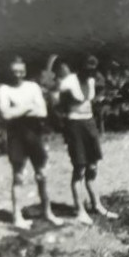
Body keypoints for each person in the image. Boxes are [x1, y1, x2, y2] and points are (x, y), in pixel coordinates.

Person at [0, 56, 62, 230]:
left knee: (42, 174)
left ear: (25, 71)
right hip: (16, 136)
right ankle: (17, 217)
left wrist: (17, 109)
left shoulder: (32, 86)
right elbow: (6, 115)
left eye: (21, 71)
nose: (18, 75)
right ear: (9, 72)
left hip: (34, 134)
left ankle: (48, 212)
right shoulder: (3, 89)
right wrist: (28, 106)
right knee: (18, 176)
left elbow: (42, 111)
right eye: (14, 71)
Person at [53, 56, 117, 224]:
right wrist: (65, 128)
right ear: (80, 68)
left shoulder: (91, 81)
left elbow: (94, 99)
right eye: (88, 69)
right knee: (79, 168)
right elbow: (58, 106)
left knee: (93, 167)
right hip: (74, 126)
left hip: (90, 124)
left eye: (93, 70)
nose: (91, 72)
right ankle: (80, 210)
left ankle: (97, 205)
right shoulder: (68, 82)